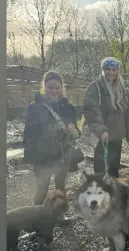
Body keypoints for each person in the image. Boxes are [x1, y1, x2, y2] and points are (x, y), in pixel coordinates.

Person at [22, 71, 80, 224]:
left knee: (61, 188)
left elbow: (75, 131)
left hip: (63, 154)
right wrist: (29, 159)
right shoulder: (35, 108)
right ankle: (37, 218)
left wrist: (75, 132)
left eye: (57, 88)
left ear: (62, 87)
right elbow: (29, 135)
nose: (54, 91)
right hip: (43, 156)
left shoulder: (69, 108)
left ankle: (60, 215)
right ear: (44, 87)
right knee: (42, 189)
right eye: (50, 88)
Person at [82, 57, 129, 178]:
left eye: (114, 69)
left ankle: (115, 193)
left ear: (118, 71)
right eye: (107, 69)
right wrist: (101, 131)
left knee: (114, 167)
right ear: (103, 70)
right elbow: (92, 110)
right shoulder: (95, 87)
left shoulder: (123, 88)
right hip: (102, 136)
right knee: (101, 168)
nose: (111, 72)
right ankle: (101, 191)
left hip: (117, 136)